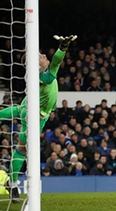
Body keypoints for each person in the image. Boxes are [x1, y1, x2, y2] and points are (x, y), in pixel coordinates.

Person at [0, 35, 77, 202]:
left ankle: (12, 184)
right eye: (39, 56)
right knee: (22, 149)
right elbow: (56, 62)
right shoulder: (43, 75)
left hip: (27, 106)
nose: (43, 56)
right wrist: (62, 49)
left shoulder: (38, 74)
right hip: (34, 116)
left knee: (15, 112)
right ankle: (12, 184)